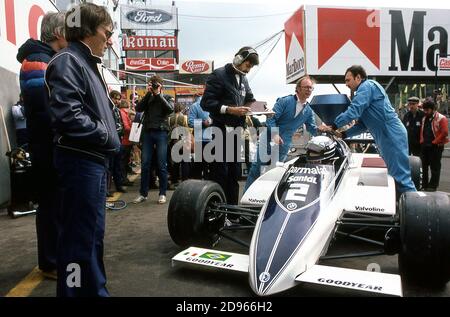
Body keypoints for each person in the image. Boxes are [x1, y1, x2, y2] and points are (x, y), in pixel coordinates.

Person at [45, 3, 120, 296]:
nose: (110, 39)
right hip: (81, 163)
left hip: (91, 162)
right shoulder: (68, 61)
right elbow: (68, 115)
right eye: (107, 32)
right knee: (79, 241)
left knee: (90, 239)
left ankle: (94, 291)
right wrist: (106, 135)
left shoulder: (82, 62)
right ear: (88, 31)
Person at [16, 11, 67, 280]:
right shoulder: (38, 61)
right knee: (51, 202)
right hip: (48, 144)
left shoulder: (44, 59)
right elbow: (44, 110)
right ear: (59, 33)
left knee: (56, 202)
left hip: (50, 142)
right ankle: (51, 263)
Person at [325, 65, 416, 194]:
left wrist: (333, 125)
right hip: (385, 136)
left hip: (391, 133)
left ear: (358, 77)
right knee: (394, 176)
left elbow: (354, 110)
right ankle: (401, 205)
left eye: (348, 80)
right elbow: (363, 125)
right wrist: (344, 134)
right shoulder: (364, 93)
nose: (346, 84)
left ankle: (415, 209)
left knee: (401, 178)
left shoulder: (367, 86)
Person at [201, 46, 259, 205]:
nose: (249, 69)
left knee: (234, 173)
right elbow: (206, 103)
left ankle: (232, 213)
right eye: (248, 65)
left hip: (236, 132)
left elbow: (250, 98)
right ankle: (217, 211)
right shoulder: (218, 75)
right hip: (219, 129)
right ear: (238, 60)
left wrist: (260, 108)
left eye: (251, 67)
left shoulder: (244, 78)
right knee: (219, 173)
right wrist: (230, 110)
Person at [244, 76, 320, 191]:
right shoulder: (284, 101)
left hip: (284, 144)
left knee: (275, 173)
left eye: (311, 88)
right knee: (257, 169)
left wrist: (323, 129)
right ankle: (246, 197)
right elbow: (270, 118)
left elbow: (312, 128)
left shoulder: (309, 110)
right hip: (268, 138)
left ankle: (267, 200)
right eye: (306, 87)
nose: (309, 90)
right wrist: (275, 134)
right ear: (298, 88)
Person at [133, 75, 174, 204]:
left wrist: (158, 94)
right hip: (148, 133)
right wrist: (148, 94)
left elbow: (170, 109)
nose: (153, 86)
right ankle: (143, 194)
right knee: (145, 164)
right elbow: (138, 109)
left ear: (161, 85)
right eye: (151, 84)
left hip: (161, 132)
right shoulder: (147, 97)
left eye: (155, 84)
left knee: (162, 164)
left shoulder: (166, 97)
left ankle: (162, 193)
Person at [420, 97, 449, 191]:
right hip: (425, 146)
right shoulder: (425, 118)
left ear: (433, 109)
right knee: (423, 166)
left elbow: (444, 132)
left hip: (436, 146)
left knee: (435, 167)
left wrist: (435, 142)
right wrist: (422, 140)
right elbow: (422, 130)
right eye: (424, 109)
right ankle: (424, 184)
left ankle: (433, 185)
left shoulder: (441, 118)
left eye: (427, 109)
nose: (425, 111)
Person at [188, 94, 212, 179]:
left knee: (207, 164)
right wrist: (203, 123)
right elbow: (190, 122)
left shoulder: (213, 105)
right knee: (200, 164)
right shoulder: (195, 106)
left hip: (211, 138)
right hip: (200, 139)